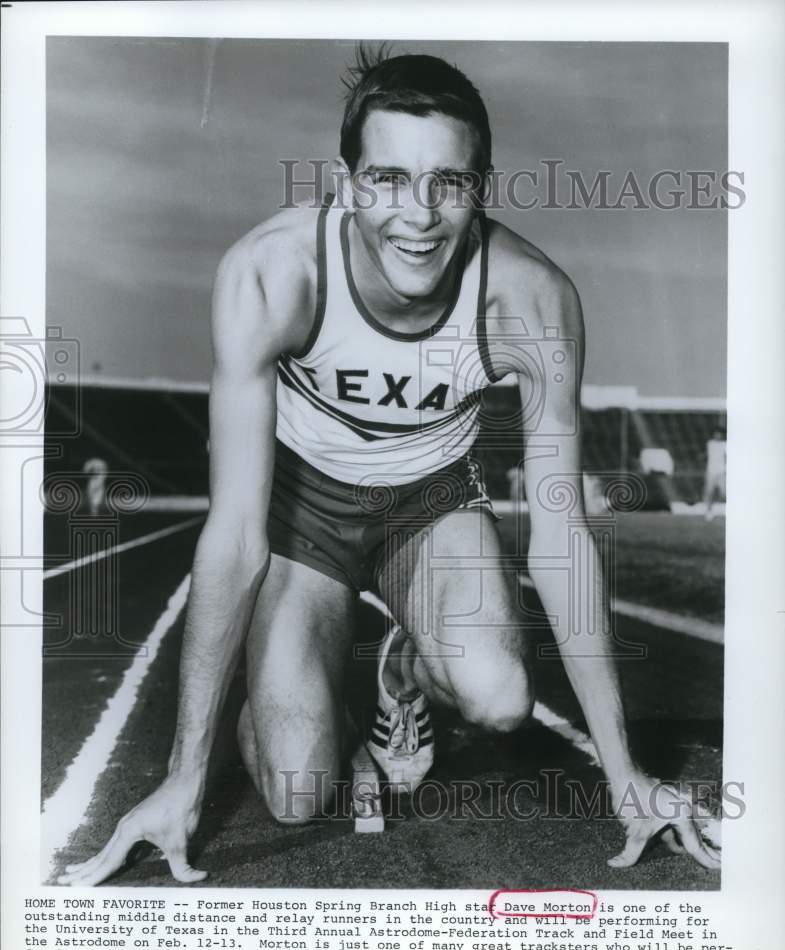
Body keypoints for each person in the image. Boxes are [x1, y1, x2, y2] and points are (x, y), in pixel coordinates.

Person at [59, 49, 719, 887]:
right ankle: (306, 689)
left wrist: (624, 776)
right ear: (345, 183)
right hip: (301, 509)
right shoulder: (272, 273)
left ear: (481, 187)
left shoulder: (531, 300)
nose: (419, 214)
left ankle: (400, 666)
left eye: (449, 181)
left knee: (500, 699)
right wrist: (184, 778)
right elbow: (232, 535)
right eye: (389, 180)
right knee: (298, 788)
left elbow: (561, 538)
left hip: (431, 505)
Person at [702, 426, 727, 521]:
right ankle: (708, 512)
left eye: (720, 433)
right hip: (711, 471)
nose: (718, 435)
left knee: (724, 493)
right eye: (716, 433)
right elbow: (706, 454)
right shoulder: (710, 444)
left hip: (722, 472)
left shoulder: (725, 444)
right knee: (709, 492)